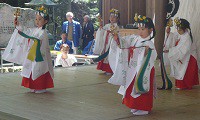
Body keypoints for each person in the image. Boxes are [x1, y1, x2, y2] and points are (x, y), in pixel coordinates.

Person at [108, 15, 157, 115]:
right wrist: (117, 37)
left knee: (141, 86)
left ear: (150, 30)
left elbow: (152, 55)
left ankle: (144, 108)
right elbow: (124, 43)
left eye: (143, 29)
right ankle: (135, 105)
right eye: (139, 29)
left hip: (144, 69)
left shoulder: (149, 43)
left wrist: (143, 51)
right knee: (131, 87)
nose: (140, 31)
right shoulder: (135, 38)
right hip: (133, 67)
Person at [2, 6, 54, 93]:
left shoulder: (43, 32)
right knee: (30, 68)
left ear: (45, 21)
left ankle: (41, 87)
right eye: (36, 19)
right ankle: (33, 85)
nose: (37, 21)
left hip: (40, 55)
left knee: (39, 69)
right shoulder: (35, 29)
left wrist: (25, 34)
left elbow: (35, 37)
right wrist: (18, 25)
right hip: (32, 54)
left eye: (40, 19)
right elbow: (27, 31)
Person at [165, 17, 199, 90]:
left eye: (179, 29)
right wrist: (168, 33)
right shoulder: (182, 33)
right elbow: (174, 36)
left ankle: (185, 85)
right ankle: (182, 84)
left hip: (189, 58)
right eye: (177, 29)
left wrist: (170, 51)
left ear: (185, 29)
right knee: (181, 71)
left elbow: (183, 50)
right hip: (184, 56)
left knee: (185, 71)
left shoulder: (187, 38)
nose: (178, 31)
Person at [93, 8, 120, 75]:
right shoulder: (107, 25)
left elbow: (118, 35)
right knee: (105, 55)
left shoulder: (117, 27)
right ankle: (105, 69)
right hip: (106, 43)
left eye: (114, 17)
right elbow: (102, 32)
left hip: (112, 43)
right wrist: (101, 28)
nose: (112, 18)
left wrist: (113, 33)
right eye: (111, 16)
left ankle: (110, 70)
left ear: (117, 19)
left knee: (110, 56)